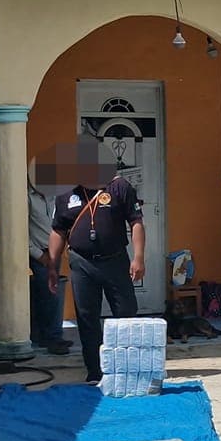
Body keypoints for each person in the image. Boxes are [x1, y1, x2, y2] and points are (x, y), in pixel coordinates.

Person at [49, 158, 145, 385]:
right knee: (86, 318)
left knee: (126, 314)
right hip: (82, 264)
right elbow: (58, 231)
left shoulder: (119, 187)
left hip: (115, 261)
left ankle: (126, 368)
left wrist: (139, 258)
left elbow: (136, 222)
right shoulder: (65, 194)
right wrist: (52, 266)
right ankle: (94, 370)